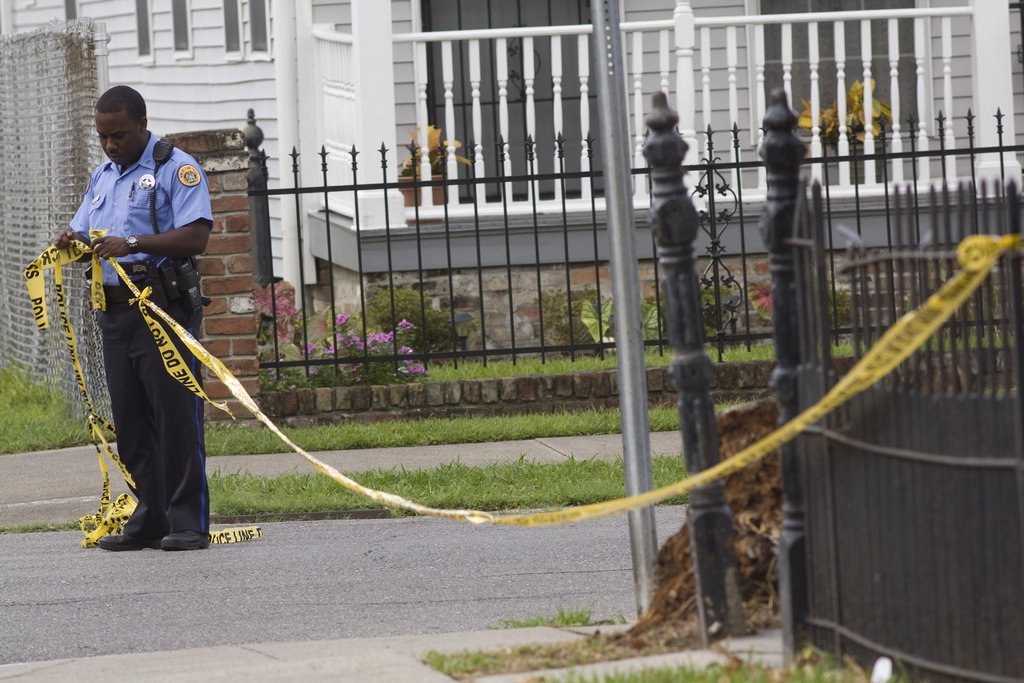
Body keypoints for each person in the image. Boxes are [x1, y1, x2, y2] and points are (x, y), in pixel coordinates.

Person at [53, 85, 213, 551]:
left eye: (118, 135)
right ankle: (151, 517)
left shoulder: (174, 169)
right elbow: (87, 234)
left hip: (161, 307)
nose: (110, 145)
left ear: (141, 124)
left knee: (176, 416)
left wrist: (136, 243)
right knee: (132, 422)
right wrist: (71, 241)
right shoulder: (103, 177)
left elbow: (196, 237)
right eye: (103, 137)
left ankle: (188, 523)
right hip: (115, 313)